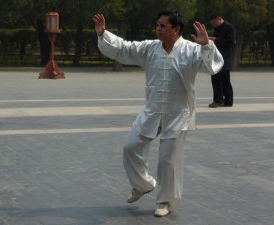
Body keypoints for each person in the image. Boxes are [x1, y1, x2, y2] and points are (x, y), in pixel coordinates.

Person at [93, 9, 223, 217]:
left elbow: (212, 66)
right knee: (130, 147)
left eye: (163, 26)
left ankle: (164, 201)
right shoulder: (150, 48)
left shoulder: (191, 50)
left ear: (176, 29)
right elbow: (125, 49)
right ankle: (143, 184)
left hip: (178, 114)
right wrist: (103, 34)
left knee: (167, 160)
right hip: (152, 111)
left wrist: (206, 45)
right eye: (158, 25)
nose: (159, 29)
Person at [208, 15, 235, 108]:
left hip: (225, 57)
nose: (214, 25)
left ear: (220, 19)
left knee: (217, 79)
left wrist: (216, 39)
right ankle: (228, 101)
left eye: (214, 23)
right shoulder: (218, 28)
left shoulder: (229, 28)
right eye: (212, 24)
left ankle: (219, 100)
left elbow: (230, 42)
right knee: (224, 80)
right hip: (218, 56)